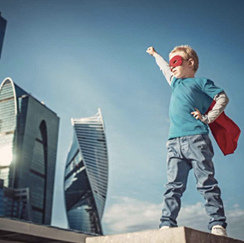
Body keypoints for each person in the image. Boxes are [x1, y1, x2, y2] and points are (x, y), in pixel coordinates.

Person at [146, 45, 229, 236]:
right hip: (174, 142)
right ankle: (167, 223)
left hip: (196, 139)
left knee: (206, 182)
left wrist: (208, 118)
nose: (172, 66)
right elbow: (164, 68)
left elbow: (223, 97)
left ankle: (217, 223)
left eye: (176, 61)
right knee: (173, 186)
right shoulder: (175, 83)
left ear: (190, 63)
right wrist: (155, 54)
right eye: (171, 62)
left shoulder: (201, 83)